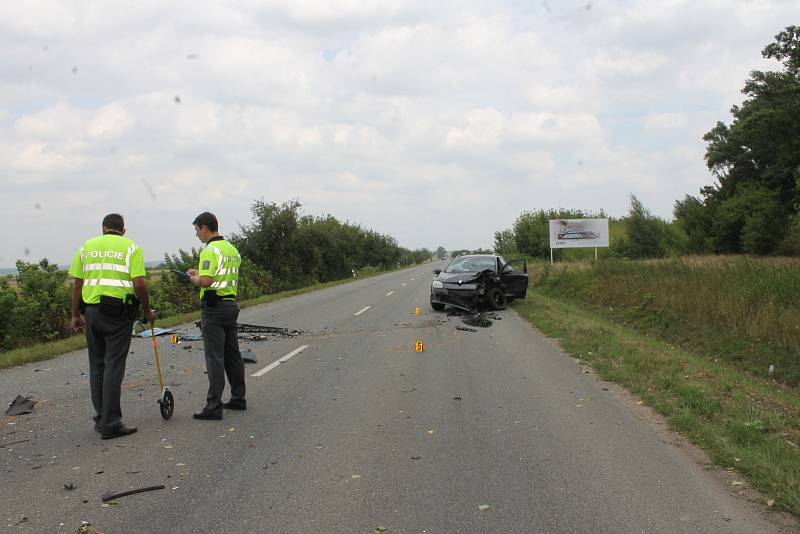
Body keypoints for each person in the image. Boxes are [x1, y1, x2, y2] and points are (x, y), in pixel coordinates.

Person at [69, 213, 154, 439]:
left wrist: (75, 314)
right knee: (114, 366)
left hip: (92, 312)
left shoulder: (86, 247)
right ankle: (112, 424)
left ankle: (100, 418)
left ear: (103, 228)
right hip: (117, 315)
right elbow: (139, 284)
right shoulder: (131, 247)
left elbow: (78, 285)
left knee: (97, 367)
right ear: (123, 230)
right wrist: (147, 310)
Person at [187, 212, 246, 420]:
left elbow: (206, 281)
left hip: (213, 308)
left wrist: (194, 278)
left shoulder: (209, 250)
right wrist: (200, 272)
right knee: (233, 355)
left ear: (205, 228)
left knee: (214, 358)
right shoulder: (231, 249)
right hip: (231, 305)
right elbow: (221, 274)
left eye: (197, 230)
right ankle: (238, 398)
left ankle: (213, 406)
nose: (196, 235)